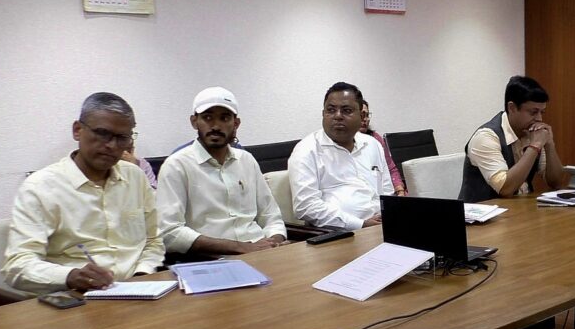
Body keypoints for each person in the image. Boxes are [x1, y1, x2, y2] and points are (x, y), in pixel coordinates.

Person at [2, 92, 165, 294]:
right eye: (102, 133)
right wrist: (70, 276)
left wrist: (143, 273)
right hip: (75, 296)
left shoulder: (135, 177)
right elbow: (17, 266)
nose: (112, 145)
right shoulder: (40, 187)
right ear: (77, 130)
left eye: (122, 138)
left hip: (140, 289)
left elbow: (153, 241)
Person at [156, 87, 287, 256]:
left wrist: (274, 242)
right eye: (207, 117)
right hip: (210, 259)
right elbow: (169, 232)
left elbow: (271, 216)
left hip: (261, 252)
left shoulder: (246, 160)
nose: (216, 126)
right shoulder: (177, 165)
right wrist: (241, 248)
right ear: (194, 122)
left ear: (236, 124)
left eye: (224, 118)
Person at [288, 82, 394, 229]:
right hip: (339, 233)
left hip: (382, 226)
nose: (337, 116)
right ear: (323, 114)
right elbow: (306, 206)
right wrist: (360, 224)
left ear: (362, 116)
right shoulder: (306, 150)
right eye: (331, 110)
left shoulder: (372, 144)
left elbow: (387, 191)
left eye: (346, 110)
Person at [459, 75, 568, 203]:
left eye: (542, 112)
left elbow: (557, 183)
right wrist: (535, 146)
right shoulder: (486, 137)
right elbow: (505, 189)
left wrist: (549, 144)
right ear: (512, 108)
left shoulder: (532, 133)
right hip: (483, 212)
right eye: (533, 112)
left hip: (519, 209)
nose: (539, 119)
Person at [359, 99, 406, 196]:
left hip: (385, 193)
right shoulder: (344, 143)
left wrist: (400, 190)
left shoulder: (376, 139)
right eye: (361, 115)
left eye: (367, 115)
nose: (365, 119)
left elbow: (391, 168)